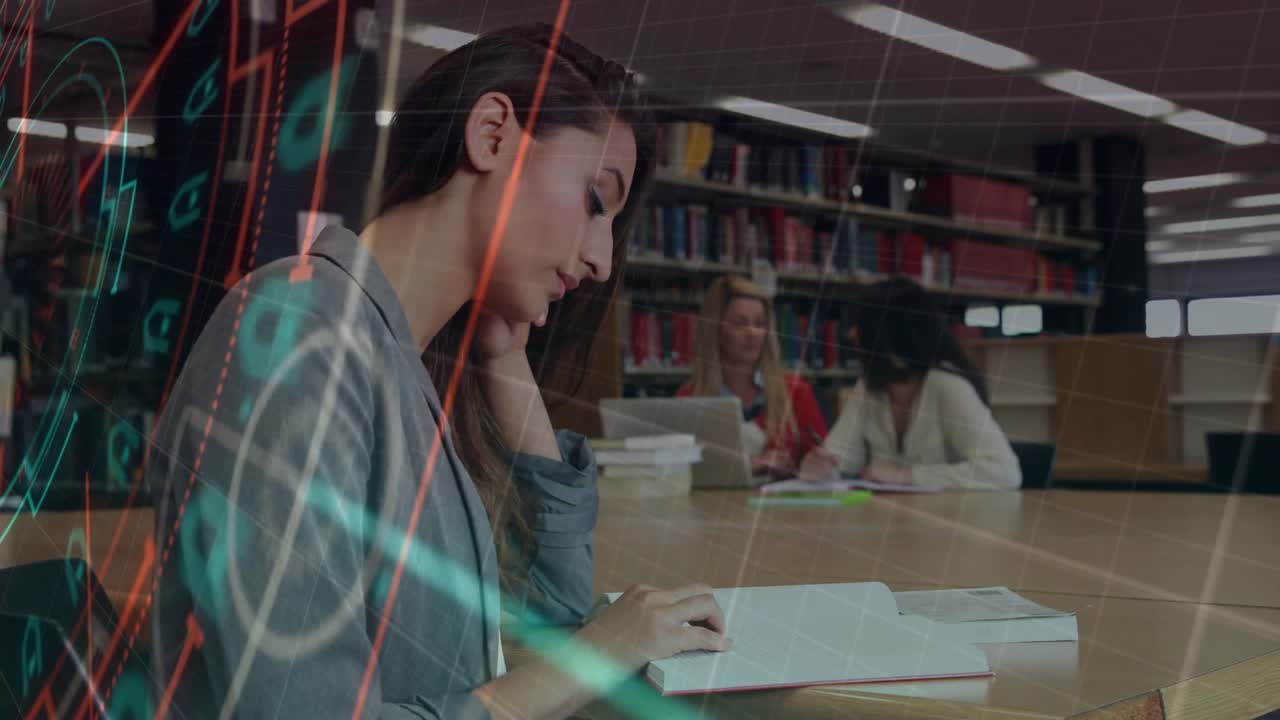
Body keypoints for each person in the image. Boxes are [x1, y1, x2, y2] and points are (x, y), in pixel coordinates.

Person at [148, 24, 729, 720]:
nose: (603, 258)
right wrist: (599, 654)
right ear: (492, 134)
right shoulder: (305, 332)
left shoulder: (401, 362)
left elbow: (549, 612)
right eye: (596, 201)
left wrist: (503, 355)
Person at [799, 278, 1021, 490]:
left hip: (950, 523)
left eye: (861, 322)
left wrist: (907, 476)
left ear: (888, 331)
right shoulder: (869, 387)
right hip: (888, 522)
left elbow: (1004, 472)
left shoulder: (946, 386)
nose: (850, 333)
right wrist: (822, 466)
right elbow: (841, 458)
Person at [677, 275, 827, 477]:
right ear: (716, 329)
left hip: (781, 507)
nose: (753, 333)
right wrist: (747, 465)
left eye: (760, 323)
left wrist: (815, 466)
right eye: (740, 324)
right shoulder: (688, 401)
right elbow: (676, 472)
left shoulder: (796, 392)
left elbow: (826, 468)